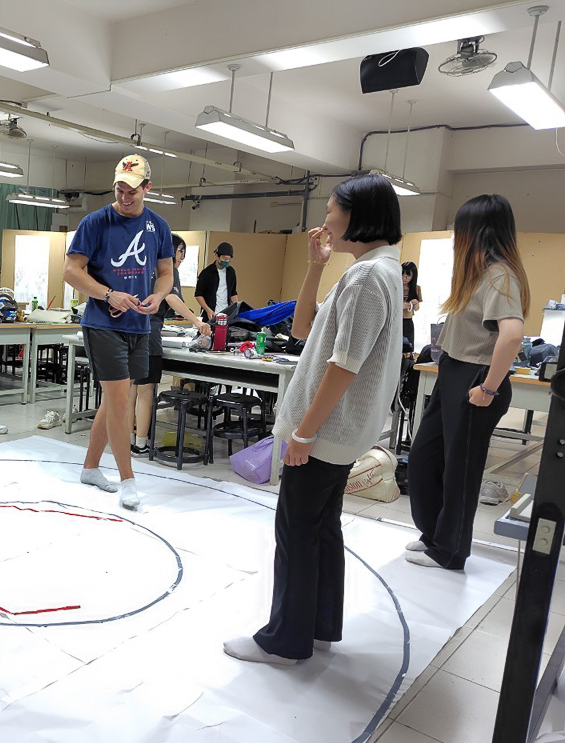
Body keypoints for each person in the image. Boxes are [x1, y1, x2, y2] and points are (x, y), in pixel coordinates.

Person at [224, 173, 404, 665]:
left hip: (326, 431)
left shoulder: (368, 277)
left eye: (331, 210)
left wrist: (304, 433)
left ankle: (285, 640)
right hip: (339, 431)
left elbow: (344, 365)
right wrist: (314, 266)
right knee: (321, 527)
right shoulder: (376, 270)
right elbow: (304, 327)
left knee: (297, 531)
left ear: (357, 216)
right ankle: (319, 626)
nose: (325, 219)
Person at [406, 194, 529, 570]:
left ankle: (450, 550)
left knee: (460, 471)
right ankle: (433, 535)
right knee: (425, 458)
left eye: (461, 229)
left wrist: (489, 387)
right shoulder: (478, 274)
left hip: (476, 378)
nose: (457, 237)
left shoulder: (500, 275)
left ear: (479, 231)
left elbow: (512, 335)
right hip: (454, 372)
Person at [64, 154, 174, 510]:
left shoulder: (158, 226)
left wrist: (159, 296)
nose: (125, 197)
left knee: (117, 400)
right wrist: (108, 293)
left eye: (132, 191)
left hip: (139, 325)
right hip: (103, 324)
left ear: (147, 188)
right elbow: (71, 271)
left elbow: (166, 273)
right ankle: (128, 479)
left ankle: (90, 468)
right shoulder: (95, 222)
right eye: (119, 190)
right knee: (121, 402)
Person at [130, 233, 212, 455]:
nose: (182, 256)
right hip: (148, 336)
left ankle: (128, 439)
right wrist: (197, 321)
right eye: (180, 251)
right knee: (145, 392)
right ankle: (140, 444)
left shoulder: (141, 266)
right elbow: (171, 298)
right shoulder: (168, 270)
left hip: (128, 334)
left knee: (131, 391)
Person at [194, 241, 239, 321]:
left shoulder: (231, 272)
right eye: (224, 258)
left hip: (226, 314)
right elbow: (198, 295)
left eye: (229, 259)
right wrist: (208, 310)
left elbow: (233, 293)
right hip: (210, 314)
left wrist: (236, 308)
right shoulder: (206, 273)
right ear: (217, 256)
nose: (226, 261)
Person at [401, 260, 423, 352]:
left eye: (408, 275)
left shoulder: (416, 288)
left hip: (408, 321)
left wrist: (416, 304)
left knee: (407, 349)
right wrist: (400, 306)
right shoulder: (395, 287)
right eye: (402, 274)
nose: (404, 278)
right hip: (395, 320)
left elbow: (417, 309)